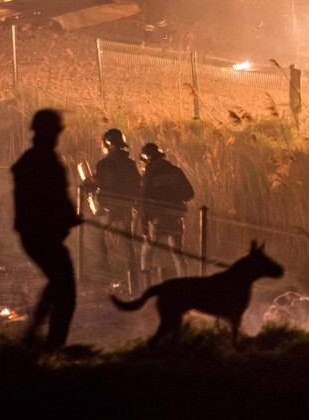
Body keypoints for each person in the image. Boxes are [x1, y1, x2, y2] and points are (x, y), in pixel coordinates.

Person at [11, 109, 82, 352]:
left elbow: (53, 199)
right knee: (65, 288)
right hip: (41, 234)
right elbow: (49, 199)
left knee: (58, 283)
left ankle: (35, 337)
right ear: (48, 132)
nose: (56, 136)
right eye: (55, 131)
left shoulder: (32, 160)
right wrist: (66, 216)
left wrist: (67, 216)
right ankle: (52, 344)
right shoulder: (43, 161)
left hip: (35, 234)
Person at [82, 128, 141, 282]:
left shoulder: (104, 163)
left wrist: (88, 185)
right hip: (125, 208)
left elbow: (97, 183)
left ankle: (104, 270)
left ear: (108, 145)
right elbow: (138, 185)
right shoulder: (130, 164)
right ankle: (133, 277)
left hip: (107, 208)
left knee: (96, 233)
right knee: (127, 243)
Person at [138, 142, 194, 282]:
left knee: (147, 252)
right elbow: (190, 193)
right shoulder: (176, 171)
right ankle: (184, 287)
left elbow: (143, 203)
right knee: (178, 254)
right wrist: (176, 198)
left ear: (148, 160)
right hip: (176, 218)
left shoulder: (149, 176)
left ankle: (147, 283)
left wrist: (144, 228)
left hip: (157, 220)